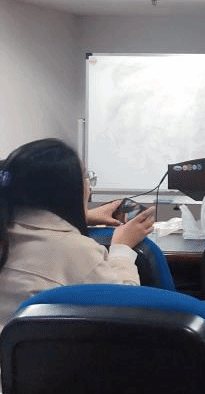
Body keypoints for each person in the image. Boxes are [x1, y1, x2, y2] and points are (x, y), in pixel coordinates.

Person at [0, 138, 156, 327]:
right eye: (86, 178)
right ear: (73, 190)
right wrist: (122, 248)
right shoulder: (78, 252)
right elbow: (125, 308)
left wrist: (85, 216)